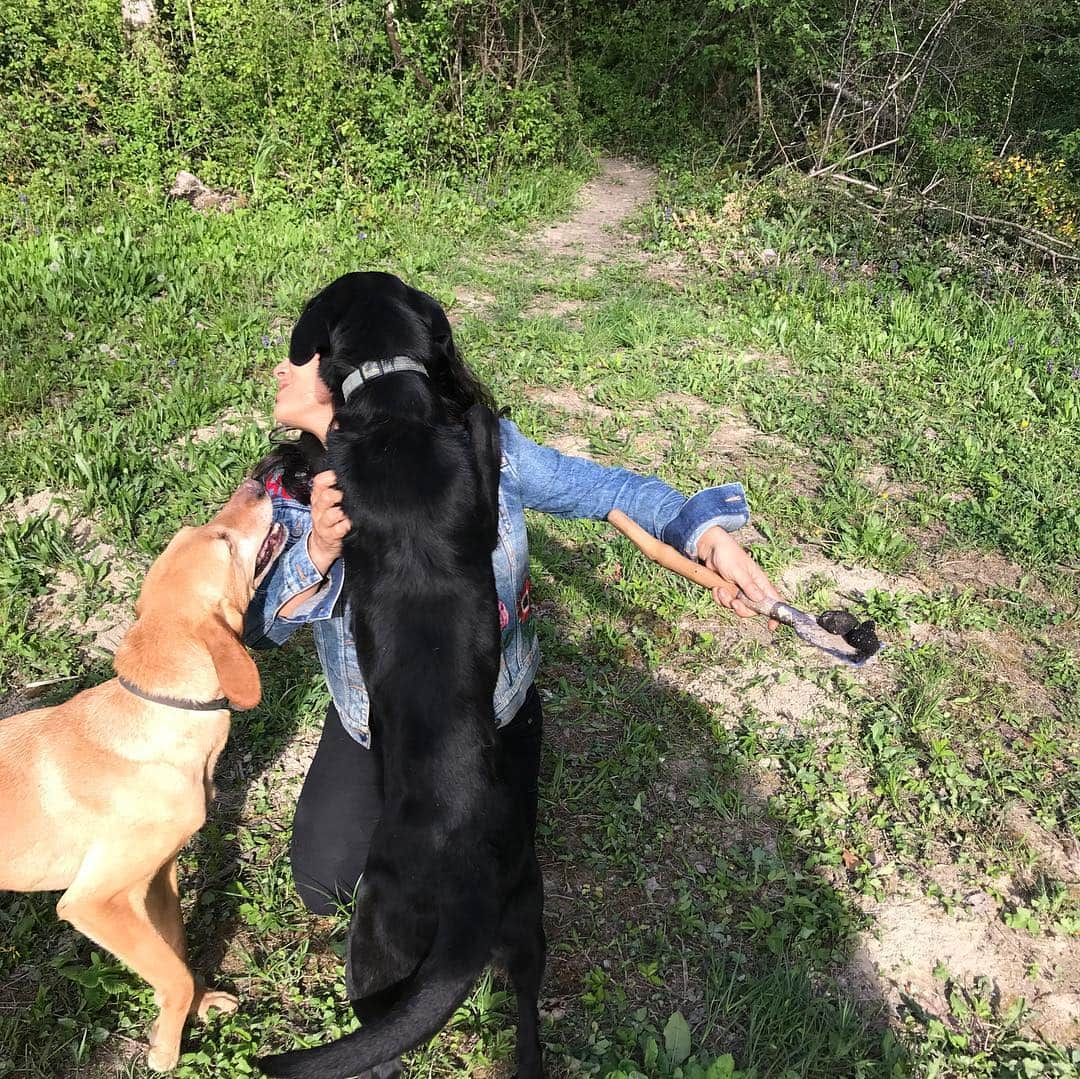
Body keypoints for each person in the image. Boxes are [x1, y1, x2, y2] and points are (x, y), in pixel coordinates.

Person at [244, 271, 782, 916]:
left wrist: (706, 536)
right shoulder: (293, 489)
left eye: (298, 355)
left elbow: (609, 490)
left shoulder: (484, 452)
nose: (280, 367)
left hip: (488, 709)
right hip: (376, 718)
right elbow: (258, 626)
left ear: (342, 370)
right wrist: (317, 554)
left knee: (481, 882)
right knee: (327, 885)